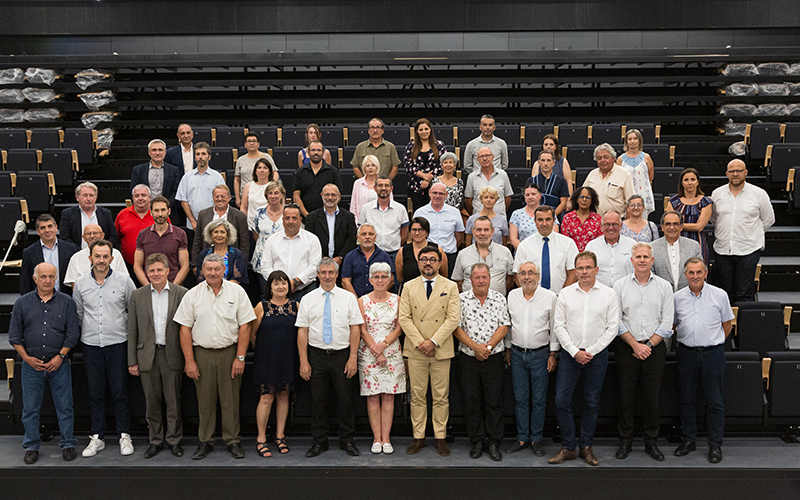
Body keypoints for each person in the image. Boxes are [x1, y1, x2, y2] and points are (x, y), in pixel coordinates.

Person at [174, 253, 257, 460]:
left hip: (230, 353)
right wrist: (190, 360)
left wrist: (240, 357)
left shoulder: (237, 292)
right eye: (208, 269)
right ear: (202, 270)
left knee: (231, 400)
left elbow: (245, 325)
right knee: (205, 401)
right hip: (201, 354)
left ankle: (233, 441)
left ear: (224, 270)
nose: (212, 273)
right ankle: (205, 441)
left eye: (217, 269)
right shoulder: (192, 295)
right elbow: (184, 329)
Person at [548, 251, 619, 467]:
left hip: (597, 356)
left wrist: (592, 351)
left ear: (597, 269)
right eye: (580, 268)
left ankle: (586, 446)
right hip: (570, 355)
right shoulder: (566, 294)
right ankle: (568, 447)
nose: (584, 271)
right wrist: (574, 351)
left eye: (588, 267)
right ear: (575, 270)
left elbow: (612, 327)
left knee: (591, 402)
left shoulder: (608, 294)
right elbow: (558, 325)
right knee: (561, 400)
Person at [9, 262, 80, 465]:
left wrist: (60, 356)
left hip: (59, 364)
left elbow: (72, 333)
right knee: (30, 409)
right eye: (43, 277)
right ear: (35, 279)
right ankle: (31, 446)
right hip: (31, 365)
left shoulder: (67, 302)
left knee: (65, 407)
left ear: (56, 278)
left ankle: (67, 444)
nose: (47, 280)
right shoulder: (22, 303)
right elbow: (14, 336)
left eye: (51, 276)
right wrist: (27, 358)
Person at [73, 239, 137, 458]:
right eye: (97, 256)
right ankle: (97, 437)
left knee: (120, 392)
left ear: (112, 258)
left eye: (105, 256)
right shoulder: (80, 283)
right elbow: (79, 314)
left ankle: (124, 435)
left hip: (118, 343)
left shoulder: (124, 281)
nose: (101, 260)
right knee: (95, 393)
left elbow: (133, 310)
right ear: (90, 258)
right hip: (91, 344)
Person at [296, 257, 364, 458]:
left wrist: (353, 358)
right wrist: (303, 361)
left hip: (342, 355)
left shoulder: (348, 298)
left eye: (331, 272)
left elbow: (355, 329)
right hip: (316, 354)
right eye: (323, 272)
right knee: (318, 400)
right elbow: (302, 332)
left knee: (345, 400)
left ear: (336, 274)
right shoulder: (308, 299)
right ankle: (319, 442)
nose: (327, 276)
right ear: (317, 275)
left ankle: (347, 441)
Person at [612, 242, 674, 462]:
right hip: (626, 347)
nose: (641, 260)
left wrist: (647, 346)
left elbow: (667, 323)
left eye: (646, 257)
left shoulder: (665, 287)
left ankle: (651, 442)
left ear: (652, 260)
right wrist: (635, 345)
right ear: (632, 260)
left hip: (654, 349)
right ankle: (625, 441)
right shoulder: (619, 286)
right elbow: (616, 321)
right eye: (637, 256)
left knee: (652, 398)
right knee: (625, 397)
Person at [399, 244, 461, 457]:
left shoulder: (450, 286)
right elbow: (404, 318)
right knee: (416, 395)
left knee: (441, 396)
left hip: (440, 349)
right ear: (418, 263)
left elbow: (453, 318)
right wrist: (421, 342)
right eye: (424, 259)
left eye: (432, 259)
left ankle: (440, 437)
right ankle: (419, 437)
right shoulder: (408, 286)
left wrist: (433, 342)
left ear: (440, 262)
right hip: (416, 350)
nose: (428, 262)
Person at [126, 253, 188, 459]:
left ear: (168, 271)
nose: (155, 273)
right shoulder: (137, 295)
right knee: (151, 402)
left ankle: (174, 440)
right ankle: (155, 440)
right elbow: (132, 329)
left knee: (173, 402)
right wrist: (132, 361)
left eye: (159, 269)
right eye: (151, 270)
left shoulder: (182, 293)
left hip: (173, 354)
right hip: (147, 356)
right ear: (146, 273)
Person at [673, 258, 734, 464]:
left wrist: (713, 343)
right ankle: (689, 439)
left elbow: (727, 324)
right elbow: (673, 325)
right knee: (686, 399)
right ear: (685, 275)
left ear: (706, 273)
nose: (695, 276)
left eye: (699, 272)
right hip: (686, 354)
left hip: (713, 354)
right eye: (691, 273)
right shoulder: (677, 298)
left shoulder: (719, 295)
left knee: (715, 401)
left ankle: (715, 444)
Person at [454, 263, 510, 462]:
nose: (480, 281)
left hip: (493, 357)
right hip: (469, 358)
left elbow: (504, 325)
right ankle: (477, 440)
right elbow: (456, 327)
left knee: (494, 402)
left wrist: (487, 348)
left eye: (484, 277)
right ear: (470, 279)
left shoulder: (499, 298)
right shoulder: (461, 300)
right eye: (476, 277)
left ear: (489, 278)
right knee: (471, 401)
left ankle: (493, 441)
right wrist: (475, 347)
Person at [505, 261, 558, 458]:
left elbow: (555, 327)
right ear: (518, 277)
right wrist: (508, 349)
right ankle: (521, 438)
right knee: (520, 399)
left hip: (541, 355)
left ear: (538, 276)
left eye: (530, 273)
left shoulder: (550, 297)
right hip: (517, 355)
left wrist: (553, 353)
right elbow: (509, 325)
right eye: (522, 273)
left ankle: (536, 439)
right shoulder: (513, 295)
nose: (526, 277)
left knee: (539, 400)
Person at [357, 262, 406, 454]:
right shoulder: (362, 300)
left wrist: (383, 346)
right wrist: (375, 349)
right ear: (370, 280)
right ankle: (376, 439)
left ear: (389, 279)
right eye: (376, 277)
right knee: (372, 398)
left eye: (384, 276)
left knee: (388, 397)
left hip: (391, 352)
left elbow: (400, 327)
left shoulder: (398, 299)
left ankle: (386, 439)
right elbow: (361, 329)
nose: (380, 280)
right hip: (369, 354)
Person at [711, 159, 775, 304]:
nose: (735, 174)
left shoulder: (759, 193)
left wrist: (751, 233)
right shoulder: (717, 193)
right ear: (727, 174)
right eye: (732, 171)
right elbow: (714, 219)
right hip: (723, 249)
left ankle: (744, 326)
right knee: (724, 293)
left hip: (749, 249)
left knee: (744, 293)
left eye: (739, 171)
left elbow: (768, 219)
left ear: (745, 172)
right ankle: (728, 327)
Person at [250, 270, 298, 458]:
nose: (280, 286)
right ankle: (261, 438)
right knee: (267, 397)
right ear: (269, 287)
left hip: (288, 357)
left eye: (284, 283)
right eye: (276, 283)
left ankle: (280, 436)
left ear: (289, 286)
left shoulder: (296, 306)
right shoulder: (261, 307)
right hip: (266, 358)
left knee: (284, 396)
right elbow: (253, 334)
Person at [257, 204, 322, 301]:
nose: (291, 222)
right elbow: (265, 266)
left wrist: (295, 282)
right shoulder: (272, 240)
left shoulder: (312, 239)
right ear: (282, 220)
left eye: (294, 218)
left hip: (305, 291)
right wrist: (281, 284)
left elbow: (315, 267)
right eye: (287, 218)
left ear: (300, 220)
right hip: (277, 294)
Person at [513, 206, 578, 294]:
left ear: (554, 220)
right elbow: (518, 275)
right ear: (535, 221)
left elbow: (573, 272)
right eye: (540, 220)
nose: (544, 223)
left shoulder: (568, 243)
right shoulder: (524, 245)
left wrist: (563, 295)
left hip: (560, 296)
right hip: (533, 298)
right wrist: (530, 295)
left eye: (548, 219)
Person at [134, 196, 190, 286]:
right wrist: (147, 286)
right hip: (150, 286)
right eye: (156, 210)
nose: (160, 214)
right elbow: (137, 266)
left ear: (169, 211)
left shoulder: (180, 234)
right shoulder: (143, 234)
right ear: (151, 212)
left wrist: (173, 287)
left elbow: (185, 266)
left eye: (163, 210)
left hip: (173, 285)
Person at [452, 216, 514, 295]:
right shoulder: (463, 254)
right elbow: (458, 282)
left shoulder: (505, 252)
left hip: (497, 303)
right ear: (473, 232)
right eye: (478, 230)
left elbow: (510, 280)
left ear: (492, 231)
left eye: (486, 230)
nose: (482, 233)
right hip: (469, 304)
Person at [412, 183, 465, 275]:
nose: (437, 196)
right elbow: (415, 235)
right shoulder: (420, 212)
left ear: (446, 195)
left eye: (441, 193)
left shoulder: (455, 212)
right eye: (435, 193)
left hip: (449, 256)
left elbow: (459, 237)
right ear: (429, 193)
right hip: (427, 258)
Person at [20, 214, 78, 295]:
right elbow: (25, 282)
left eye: (50, 226)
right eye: (43, 228)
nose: (47, 230)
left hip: (65, 300)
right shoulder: (29, 252)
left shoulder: (71, 249)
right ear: (38, 231)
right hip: (39, 301)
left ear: (56, 227)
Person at [191, 184, 249, 264]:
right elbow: (197, 240)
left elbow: (244, 243)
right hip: (207, 262)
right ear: (213, 197)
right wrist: (195, 264)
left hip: (232, 262)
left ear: (229, 198)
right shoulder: (203, 214)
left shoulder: (239, 216)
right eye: (217, 196)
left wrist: (241, 264)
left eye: (223, 196)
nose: (219, 199)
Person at [175, 142, 225, 235]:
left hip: (212, 225)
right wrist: (193, 221)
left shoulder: (217, 177)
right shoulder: (187, 177)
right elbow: (183, 201)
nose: (200, 157)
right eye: (198, 154)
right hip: (191, 225)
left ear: (209, 157)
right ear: (195, 157)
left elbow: (221, 200)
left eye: (203, 154)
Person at [304, 184, 357, 271]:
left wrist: (340, 257)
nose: (330, 197)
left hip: (343, 264)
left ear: (339, 196)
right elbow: (309, 240)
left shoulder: (348, 217)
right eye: (327, 194)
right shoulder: (312, 217)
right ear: (322, 195)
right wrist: (322, 256)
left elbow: (352, 239)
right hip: (318, 263)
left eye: (333, 195)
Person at [666, 167, 713, 265]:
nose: (689, 182)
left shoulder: (706, 202)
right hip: (676, 240)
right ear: (682, 183)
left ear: (698, 182)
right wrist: (677, 226)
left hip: (697, 240)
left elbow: (699, 226)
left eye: (693, 179)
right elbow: (669, 223)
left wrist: (678, 225)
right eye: (686, 180)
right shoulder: (673, 202)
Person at [358, 175, 409, 262]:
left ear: (391, 188)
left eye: (386, 185)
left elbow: (404, 233)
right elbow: (360, 231)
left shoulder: (400, 209)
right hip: (372, 254)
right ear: (375, 188)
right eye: (380, 185)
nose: (383, 188)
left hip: (394, 255)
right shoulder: (366, 209)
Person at [651, 211, 702, 292]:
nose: (672, 227)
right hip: (661, 296)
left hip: (688, 297)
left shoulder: (694, 246)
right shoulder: (651, 247)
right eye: (668, 224)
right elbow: (650, 274)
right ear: (662, 227)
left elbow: (700, 273)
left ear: (681, 227)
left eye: (675, 224)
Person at [59, 182, 120, 249]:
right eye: (85, 195)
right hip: (77, 254)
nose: (88, 199)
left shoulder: (105, 213)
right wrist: (80, 252)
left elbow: (113, 236)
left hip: (101, 254)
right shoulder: (68, 214)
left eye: (91, 195)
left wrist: (103, 248)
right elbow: (64, 237)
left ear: (96, 197)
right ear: (77, 197)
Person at [64, 223, 128, 287]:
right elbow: (75, 286)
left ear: (102, 235)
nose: (92, 236)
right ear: (83, 238)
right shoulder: (76, 258)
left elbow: (124, 280)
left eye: (95, 233)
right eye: (88, 234)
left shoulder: (116, 254)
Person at [403, 118, 447, 211]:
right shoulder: (411, 146)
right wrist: (423, 176)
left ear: (430, 130)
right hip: (416, 187)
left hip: (435, 186)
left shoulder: (439, 145)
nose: (424, 132)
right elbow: (408, 165)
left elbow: (442, 164)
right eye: (421, 129)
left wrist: (428, 180)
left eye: (426, 129)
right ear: (417, 132)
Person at [582, 143, 635, 218]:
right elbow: (582, 196)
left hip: (616, 223)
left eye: (606, 157)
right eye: (599, 158)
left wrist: (626, 224)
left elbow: (631, 202)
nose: (602, 160)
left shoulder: (624, 174)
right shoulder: (592, 175)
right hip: (593, 222)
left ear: (613, 158)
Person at [395, 217, 449, 290]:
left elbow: (444, 274)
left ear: (427, 232)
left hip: (433, 291)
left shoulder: (437, 249)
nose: (417, 233)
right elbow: (400, 277)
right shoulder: (403, 251)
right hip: (410, 292)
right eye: (414, 230)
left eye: (421, 230)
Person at [130, 139, 182, 214]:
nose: (157, 153)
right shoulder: (138, 170)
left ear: (165, 152)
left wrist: (164, 206)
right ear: (149, 152)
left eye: (160, 150)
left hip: (168, 212)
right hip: (145, 212)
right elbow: (134, 191)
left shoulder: (174, 170)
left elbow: (176, 191)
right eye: (154, 150)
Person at [342, 224, 395, 297]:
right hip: (355, 301)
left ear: (375, 237)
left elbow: (391, 280)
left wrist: (376, 297)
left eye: (371, 234)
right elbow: (345, 281)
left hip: (379, 300)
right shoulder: (350, 257)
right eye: (363, 234)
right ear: (358, 237)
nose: (367, 237)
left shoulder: (384, 257)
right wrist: (356, 301)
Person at [585, 211, 636, 288]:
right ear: (601, 226)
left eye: (614, 224)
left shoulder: (632, 245)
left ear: (621, 226)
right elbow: (586, 271)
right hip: (599, 293)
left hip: (625, 291)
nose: (611, 228)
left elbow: (636, 271)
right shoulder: (592, 246)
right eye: (607, 224)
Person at [292, 140, 342, 217]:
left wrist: (327, 212)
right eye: (313, 150)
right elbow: (296, 196)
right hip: (305, 218)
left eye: (319, 150)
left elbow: (338, 195)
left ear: (323, 153)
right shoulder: (300, 172)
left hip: (327, 216)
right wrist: (307, 215)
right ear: (308, 153)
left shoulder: (333, 171)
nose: (316, 153)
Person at [195, 219, 249, 285]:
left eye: (222, 232)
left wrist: (221, 289)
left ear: (227, 235)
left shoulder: (236, 254)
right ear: (211, 234)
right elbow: (201, 279)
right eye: (216, 232)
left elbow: (237, 279)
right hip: (208, 290)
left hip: (231, 290)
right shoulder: (204, 254)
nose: (219, 235)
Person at [464, 147, 513, 217]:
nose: (484, 158)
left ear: (492, 157)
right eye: (481, 156)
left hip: (499, 219)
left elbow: (507, 198)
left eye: (487, 155)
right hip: (479, 220)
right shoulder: (472, 177)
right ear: (478, 159)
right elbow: (468, 201)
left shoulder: (503, 175)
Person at [616, 129, 655, 217]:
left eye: (635, 138)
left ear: (639, 141)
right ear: (626, 141)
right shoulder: (620, 159)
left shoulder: (646, 157)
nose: (632, 141)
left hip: (643, 194)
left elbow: (650, 177)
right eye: (630, 139)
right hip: (626, 196)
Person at [115, 184, 155, 270]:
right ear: (133, 198)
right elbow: (116, 238)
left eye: (144, 195)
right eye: (137, 196)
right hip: (128, 265)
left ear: (150, 197)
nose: (140, 198)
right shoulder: (122, 214)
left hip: (154, 266)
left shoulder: (158, 214)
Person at [234, 132, 278, 206]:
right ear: (245, 145)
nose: (252, 143)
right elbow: (237, 179)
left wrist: (271, 187)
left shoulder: (266, 157)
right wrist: (237, 198)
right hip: (246, 196)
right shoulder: (240, 160)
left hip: (264, 195)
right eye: (249, 141)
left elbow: (275, 173)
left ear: (258, 144)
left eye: (254, 141)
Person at [251, 181, 286, 271]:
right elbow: (256, 234)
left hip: (283, 260)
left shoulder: (288, 212)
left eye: (276, 193)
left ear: (282, 195)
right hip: (262, 260)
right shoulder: (259, 212)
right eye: (270, 193)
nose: (273, 196)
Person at [240, 157, 279, 234]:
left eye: (265, 168)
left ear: (269, 171)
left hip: (270, 227)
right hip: (251, 227)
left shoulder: (274, 186)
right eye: (259, 168)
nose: (262, 170)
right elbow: (244, 207)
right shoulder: (248, 186)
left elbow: (280, 207)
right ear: (255, 171)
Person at [560, 186, 603, 252]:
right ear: (577, 199)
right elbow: (564, 241)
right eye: (581, 197)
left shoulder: (598, 219)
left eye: (588, 197)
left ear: (592, 201)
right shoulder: (567, 218)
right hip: (571, 256)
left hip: (592, 257)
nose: (584, 200)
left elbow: (600, 242)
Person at [528, 150, 569, 217]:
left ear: (553, 163)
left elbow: (563, 203)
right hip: (534, 217)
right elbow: (528, 201)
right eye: (543, 160)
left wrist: (551, 216)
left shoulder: (561, 181)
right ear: (539, 163)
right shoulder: (531, 181)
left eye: (548, 160)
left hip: (554, 217)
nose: (546, 163)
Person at [350, 155, 392, 221]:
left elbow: (391, 203)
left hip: (382, 221)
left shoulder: (385, 182)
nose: (370, 168)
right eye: (367, 166)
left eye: (373, 165)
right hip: (362, 222)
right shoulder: (357, 183)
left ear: (377, 167)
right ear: (364, 168)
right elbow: (353, 206)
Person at [510, 183, 544, 250]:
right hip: (523, 253)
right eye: (527, 195)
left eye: (533, 194)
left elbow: (554, 234)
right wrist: (526, 251)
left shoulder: (548, 212)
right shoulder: (516, 214)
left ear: (540, 195)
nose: (530, 197)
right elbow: (513, 239)